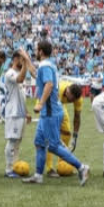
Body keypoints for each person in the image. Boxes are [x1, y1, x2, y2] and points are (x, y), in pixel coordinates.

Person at [21, 42, 89, 186]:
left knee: (53, 145)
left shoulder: (45, 66)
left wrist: (40, 103)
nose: (35, 51)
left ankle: (81, 167)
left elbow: (49, 84)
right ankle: (38, 175)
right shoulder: (49, 65)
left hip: (50, 111)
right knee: (39, 143)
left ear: (40, 51)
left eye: (36, 50)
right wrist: (26, 59)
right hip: (49, 111)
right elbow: (35, 74)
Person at [45, 79, 83, 177]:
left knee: (67, 133)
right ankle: (49, 168)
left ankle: (62, 165)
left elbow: (77, 117)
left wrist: (75, 137)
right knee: (49, 137)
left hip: (61, 105)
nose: (72, 101)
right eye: (72, 99)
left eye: (74, 100)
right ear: (68, 92)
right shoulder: (58, 90)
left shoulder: (78, 98)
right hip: (47, 103)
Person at [2, 51, 31, 178]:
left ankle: (15, 166)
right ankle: (8, 170)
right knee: (12, 140)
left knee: (18, 141)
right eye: (21, 59)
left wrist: (27, 112)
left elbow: (22, 96)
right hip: (13, 113)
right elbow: (20, 79)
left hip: (20, 113)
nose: (23, 61)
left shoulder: (19, 73)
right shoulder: (10, 73)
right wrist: (26, 63)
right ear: (15, 59)